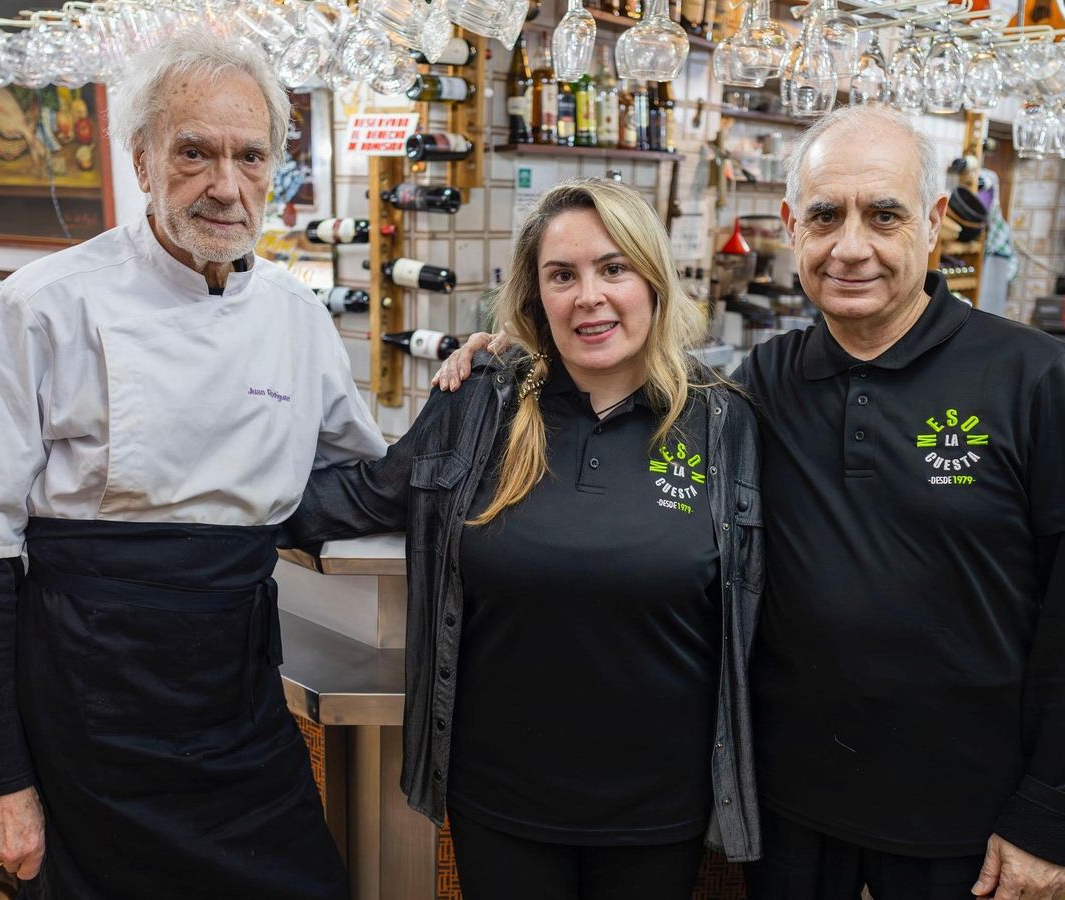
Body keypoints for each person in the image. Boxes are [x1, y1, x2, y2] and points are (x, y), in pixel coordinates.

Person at [436, 106, 1065, 900]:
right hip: (789, 812)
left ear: (935, 221)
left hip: (963, 816)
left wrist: (1051, 809)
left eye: (885, 215)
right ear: (793, 225)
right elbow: (628, 401)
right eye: (826, 217)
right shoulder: (758, 386)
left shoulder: (1028, 375)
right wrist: (516, 354)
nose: (851, 247)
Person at [0, 32, 384, 899]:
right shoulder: (41, 307)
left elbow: (344, 481)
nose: (226, 185)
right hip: (87, 705)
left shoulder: (296, 317)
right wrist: (0, 780)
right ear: (142, 159)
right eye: (194, 152)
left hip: (239, 697)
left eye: (251, 156)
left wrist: (472, 410)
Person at [282, 179, 764, 899]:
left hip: (661, 807)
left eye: (613, 268)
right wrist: (196, 505)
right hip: (500, 799)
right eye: (562, 276)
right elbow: (364, 495)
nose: (589, 297)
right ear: (536, 297)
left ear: (653, 280)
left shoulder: (722, 422)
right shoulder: (482, 404)